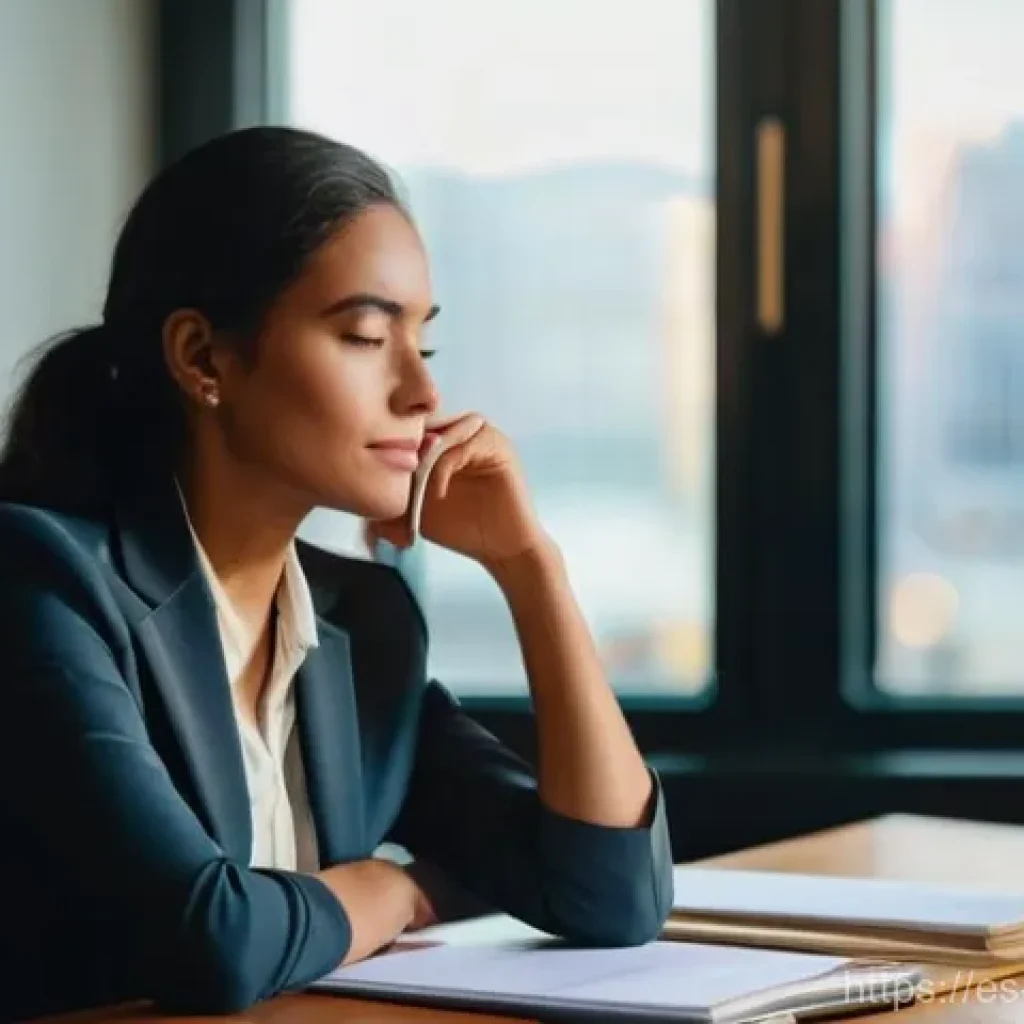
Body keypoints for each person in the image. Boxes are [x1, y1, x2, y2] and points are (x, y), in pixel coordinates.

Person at [0, 126, 672, 1021]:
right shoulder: (45, 584)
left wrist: (529, 568)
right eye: (363, 336)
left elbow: (610, 893)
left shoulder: (363, 623)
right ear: (204, 358)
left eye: (421, 346)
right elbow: (208, 938)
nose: (422, 395)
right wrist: (398, 892)